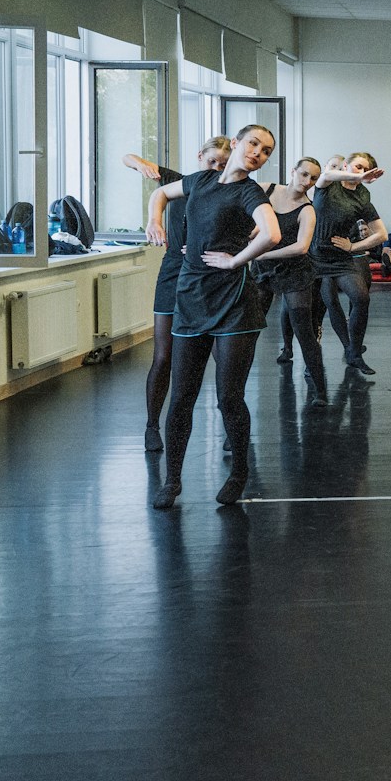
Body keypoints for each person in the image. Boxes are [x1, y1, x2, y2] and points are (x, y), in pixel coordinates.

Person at [145, 124, 282, 508]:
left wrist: (235, 260)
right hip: (191, 297)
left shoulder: (249, 191)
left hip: (234, 303)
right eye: (254, 143)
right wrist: (155, 221)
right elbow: (159, 192)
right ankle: (172, 480)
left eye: (267, 150)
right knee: (182, 396)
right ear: (236, 143)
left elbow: (271, 234)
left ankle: (239, 472)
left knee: (229, 397)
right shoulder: (202, 181)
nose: (259, 152)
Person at [129, 137, 231, 453]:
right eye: (211, 161)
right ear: (200, 156)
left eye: (223, 164)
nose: (216, 168)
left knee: (222, 357)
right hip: (174, 272)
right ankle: (151, 426)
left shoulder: (232, 190)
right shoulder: (179, 181)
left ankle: (231, 425)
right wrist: (141, 164)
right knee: (164, 356)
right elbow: (129, 157)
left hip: (212, 275)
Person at [254, 157, 330, 407]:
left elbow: (301, 247)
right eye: (304, 174)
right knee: (249, 329)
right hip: (263, 270)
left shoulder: (307, 210)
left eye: (313, 178)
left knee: (304, 331)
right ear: (293, 171)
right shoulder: (266, 189)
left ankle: (320, 390)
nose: (307, 182)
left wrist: (263, 253)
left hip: (294, 272)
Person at [312, 152, 387, 375]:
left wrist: (353, 247)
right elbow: (326, 174)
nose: (360, 172)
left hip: (341, 257)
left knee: (361, 298)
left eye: (365, 169)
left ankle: (354, 353)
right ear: (346, 165)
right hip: (316, 255)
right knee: (324, 306)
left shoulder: (363, 196)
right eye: (357, 166)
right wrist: (355, 176)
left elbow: (381, 234)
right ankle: (312, 359)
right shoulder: (329, 184)